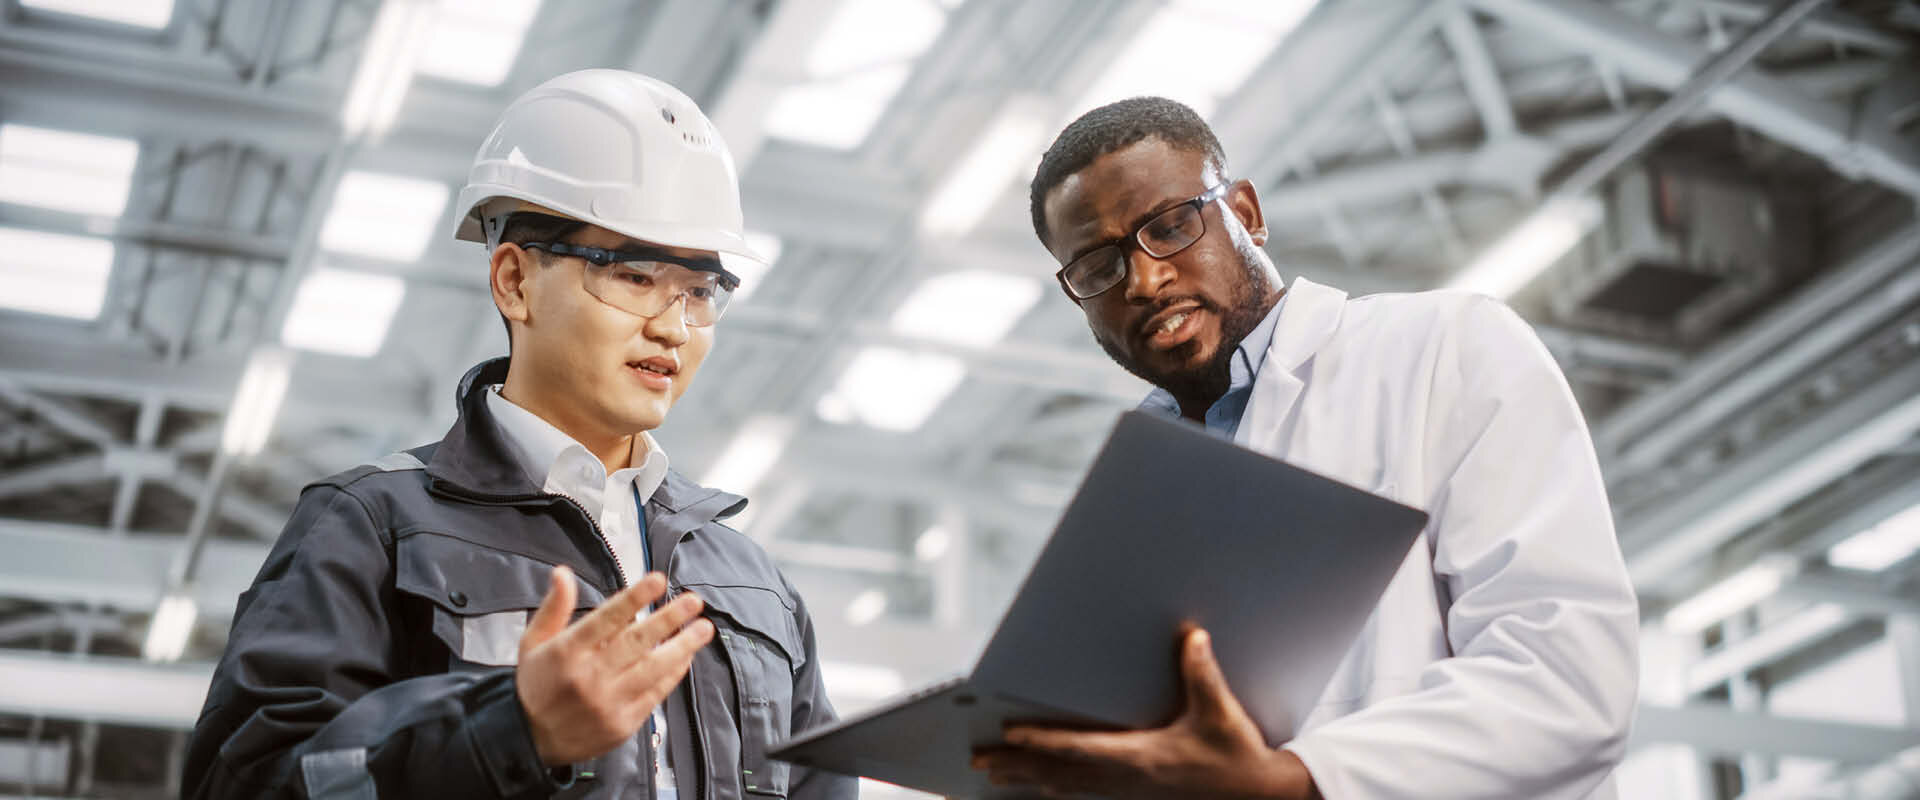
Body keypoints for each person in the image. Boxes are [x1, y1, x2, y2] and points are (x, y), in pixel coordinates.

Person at [183, 69, 855, 800]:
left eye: (699, 291)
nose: (673, 326)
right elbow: (242, 786)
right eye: (633, 276)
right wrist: (509, 734)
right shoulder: (375, 529)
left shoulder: (754, 584)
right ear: (513, 282)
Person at [973, 96, 1639, 799]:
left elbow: (1568, 680)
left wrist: (1292, 780)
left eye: (1169, 227)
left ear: (1248, 214)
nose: (1144, 280)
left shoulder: (1448, 348)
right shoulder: (1127, 500)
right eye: (1098, 267)